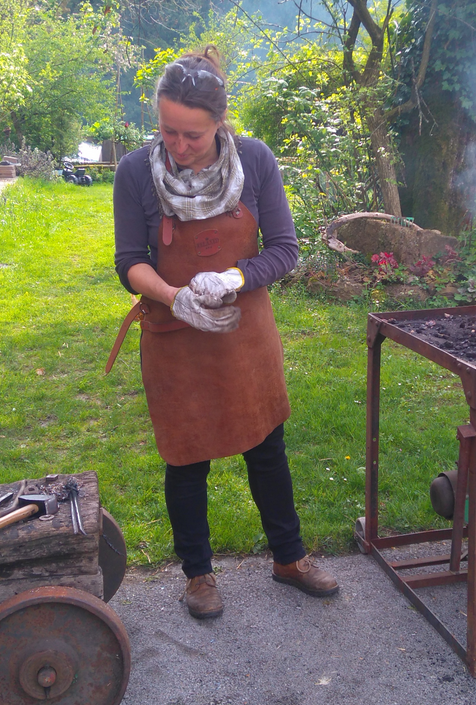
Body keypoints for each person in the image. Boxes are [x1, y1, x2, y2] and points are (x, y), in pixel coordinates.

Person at [109, 46, 338, 620]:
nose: (179, 148)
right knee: (186, 458)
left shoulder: (255, 162)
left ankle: (288, 558)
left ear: (220, 124)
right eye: (168, 132)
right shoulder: (136, 172)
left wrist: (233, 278)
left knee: (266, 446)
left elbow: (284, 250)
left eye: (193, 135)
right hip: (173, 337)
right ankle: (198, 575)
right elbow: (129, 261)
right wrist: (176, 297)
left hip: (245, 336)